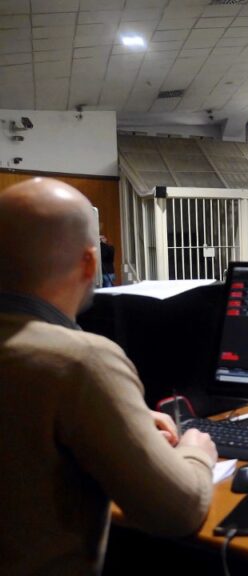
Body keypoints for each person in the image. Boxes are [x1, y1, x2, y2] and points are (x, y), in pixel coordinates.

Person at [0, 178, 217, 574]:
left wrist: (119, 416)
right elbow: (177, 512)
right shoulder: (81, 361)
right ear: (89, 262)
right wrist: (195, 451)